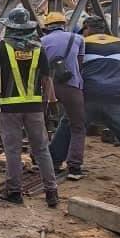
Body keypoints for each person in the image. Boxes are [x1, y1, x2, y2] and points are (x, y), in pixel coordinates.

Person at [0, 7, 59, 207]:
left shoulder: (1, 48)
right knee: (41, 149)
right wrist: (52, 102)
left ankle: (14, 192)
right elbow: (47, 79)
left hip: (9, 108)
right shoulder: (38, 48)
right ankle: (51, 192)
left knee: (13, 151)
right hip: (34, 107)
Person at [53, 17, 120, 173]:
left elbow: (74, 70)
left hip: (88, 95)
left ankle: (53, 160)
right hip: (115, 96)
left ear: (86, 28)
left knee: (69, 125)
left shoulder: (82, 43)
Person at [41, 12, 86, 179]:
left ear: (47, 27)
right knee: (77, 126)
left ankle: (44, 162)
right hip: (72, 86)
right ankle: (74, 167)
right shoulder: (78, 39)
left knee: (41, 125)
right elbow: (80, 64)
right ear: (64, 24)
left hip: (48, 87)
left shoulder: (42, 42)